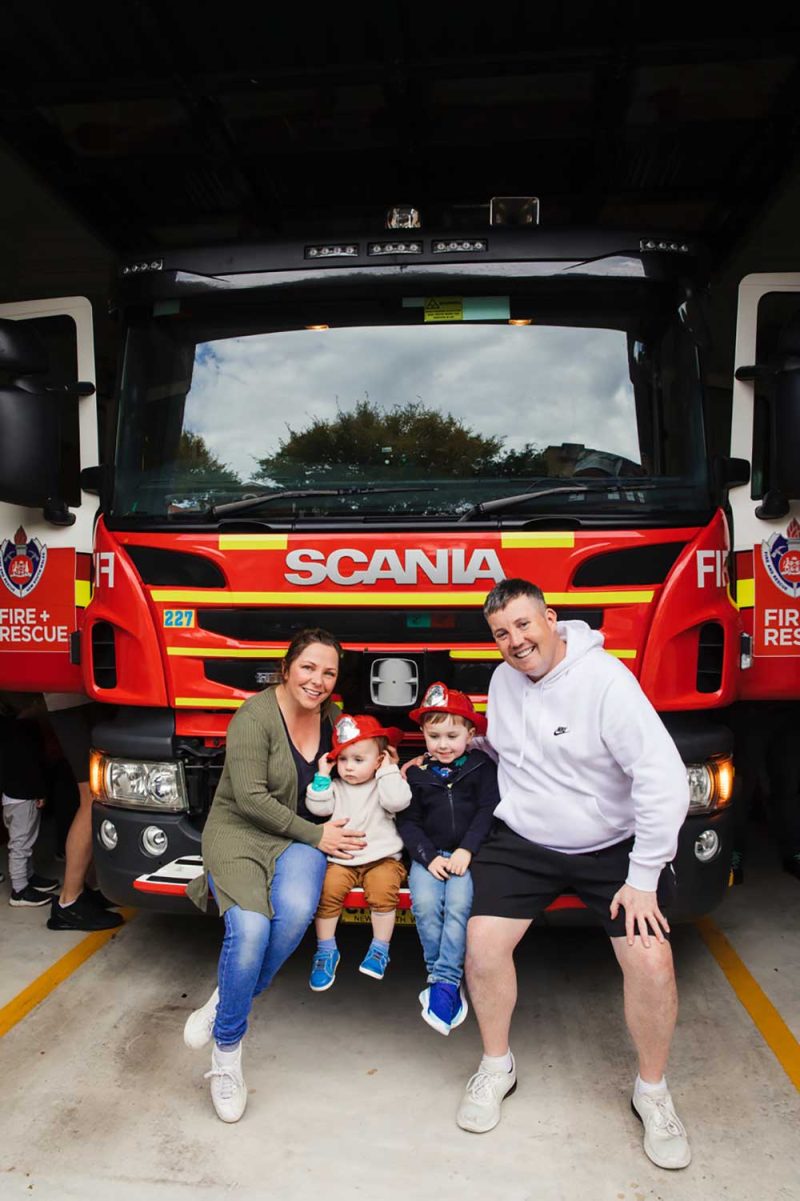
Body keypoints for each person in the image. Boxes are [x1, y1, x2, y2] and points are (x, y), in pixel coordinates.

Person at [456, 579, 692, 1172]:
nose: (515, 641)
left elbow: (662, 778)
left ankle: (653, 1092)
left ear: (551, 619)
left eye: (524, 625)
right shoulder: (503, 680)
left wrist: (642, 876)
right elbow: (509, 751)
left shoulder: (606, 681)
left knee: (651, 960)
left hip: (611, 846)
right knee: (482, 947)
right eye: (501, 633)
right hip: (526, 839)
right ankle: (495, 1066)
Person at [183, 628, 367, 1123]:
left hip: (299, 837)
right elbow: (249, 799)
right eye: (309, 668)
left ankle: (225, 997)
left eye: (329, 672)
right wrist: (317, 835)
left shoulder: (333, 718)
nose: (319, 680)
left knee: (293, 917)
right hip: (241, 831)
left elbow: (366, 762)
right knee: (250, 929)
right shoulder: (254, 716)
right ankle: (227, 1055)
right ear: (286, 669)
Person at [398, 683, 499, 1035]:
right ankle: (440, 975)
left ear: (470, 733)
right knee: (425, 906)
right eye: (434, 735)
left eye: (452, 735)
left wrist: (467, 850)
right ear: (423, 734)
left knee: (458, 907)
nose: (443, 745)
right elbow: (407, 822)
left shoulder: (482, 768)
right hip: (430, 856)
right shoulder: (415, 774)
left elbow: (487, 811)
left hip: (463, 857)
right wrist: (426, 857)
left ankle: (445, 981)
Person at [306, 714, 411, 989]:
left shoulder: (384, 784)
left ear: (379, 761)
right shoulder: (336, 787)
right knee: (327, 891)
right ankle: (326, 949)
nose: (349, 767)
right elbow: (318, 809)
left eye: (358, 760)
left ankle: (380, 949)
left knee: (382, 891)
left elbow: (398, 801)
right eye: (342, 759)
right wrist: (322, 776)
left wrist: (389, 770)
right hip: (342, 860)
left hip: (382, 860)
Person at [44, 694, 122, 931]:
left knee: (100, 794)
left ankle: (83, 889)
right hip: (68, 701)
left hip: (82, 699)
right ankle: (69, 902)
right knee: (91, 797)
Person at [2, 708, 60, 906]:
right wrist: (39, 791)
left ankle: (29, 877)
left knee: (23, 841)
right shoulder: (23, 733)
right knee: (21, 844)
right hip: (23, 797)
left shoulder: (8, 730)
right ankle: (19, 890)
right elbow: (30, 766)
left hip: (11, 795)